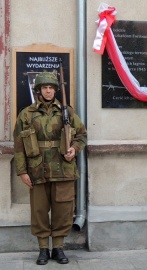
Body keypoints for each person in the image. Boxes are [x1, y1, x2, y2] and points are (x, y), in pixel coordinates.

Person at [13, 72, 87, 265]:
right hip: (37, 169)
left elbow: (82, 135)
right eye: (45, 87)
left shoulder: (67, 112)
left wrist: (74, 148)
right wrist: (22, 171)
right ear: (38, 91)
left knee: (63, 210)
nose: (48, 90)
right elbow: (19, 144)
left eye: (51, 87)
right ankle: (43, 249)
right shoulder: (26, 114)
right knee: (39, 210)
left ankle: (58, 248)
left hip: (63, 168)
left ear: (55, 89)